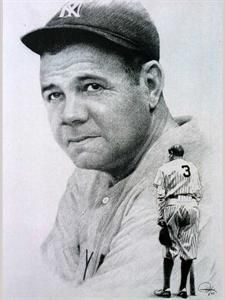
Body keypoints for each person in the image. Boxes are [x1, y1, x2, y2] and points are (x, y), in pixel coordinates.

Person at [21, 0, 217, 297]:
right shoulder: (90, 176)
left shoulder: (199, 182)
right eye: (54, 94)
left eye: (92, 86)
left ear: (150, 85)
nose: (69, 114)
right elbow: (48, 284)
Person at [153, 145, 201, 298]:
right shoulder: (192, 167)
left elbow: (160, 195)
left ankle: (166, 289)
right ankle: (183, 289)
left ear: (171, 153)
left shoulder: (164, 168)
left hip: (172, 205)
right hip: (191, 205)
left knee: (170, 248)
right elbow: (199, 191)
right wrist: (192, 204)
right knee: (188, 249)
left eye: (169, 154)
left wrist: (161, 215)